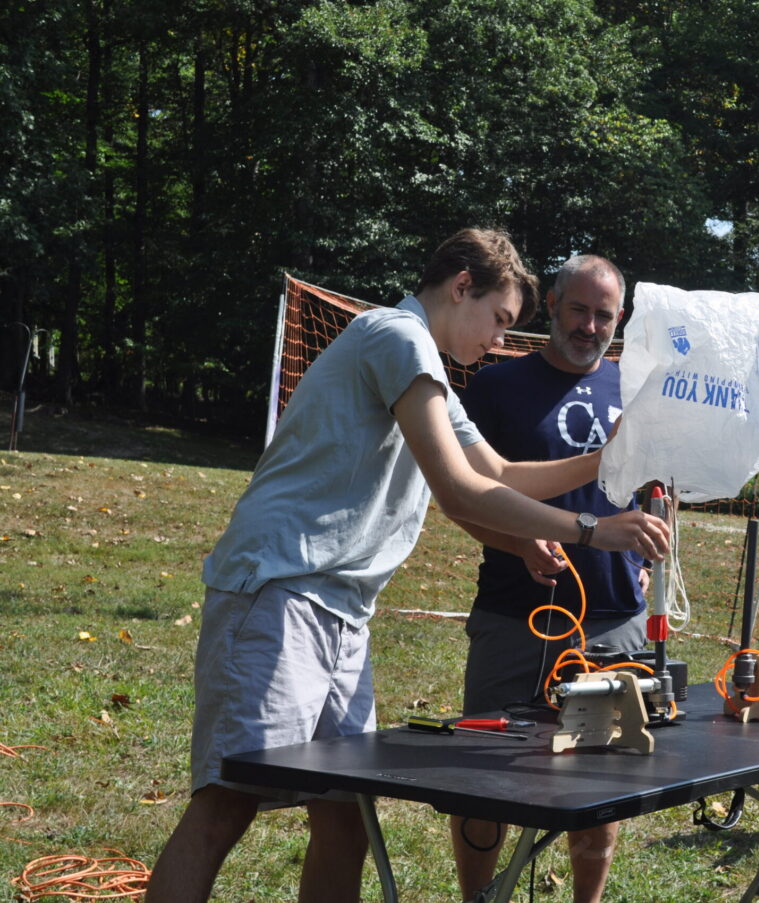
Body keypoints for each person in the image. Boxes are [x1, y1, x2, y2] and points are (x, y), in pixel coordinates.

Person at [142, 229, 669, 903]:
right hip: (280, 592)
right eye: (500, 318)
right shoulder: (397, 337)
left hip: (341, 612)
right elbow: (459, 491)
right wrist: (592, 530)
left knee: (344, 812)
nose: (500, 341)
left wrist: (604, 459)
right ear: (461, 287)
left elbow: (501, 472)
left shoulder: (430, 373)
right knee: (228, 801)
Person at [450, 254, 645, 903]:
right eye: (578, 309)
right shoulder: (496, 385)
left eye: (603, 315)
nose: (589, 326)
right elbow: (460, 497)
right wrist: (515, 542)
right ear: (554, 305)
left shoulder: (635, 389)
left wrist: (647, 558)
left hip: (612, 622)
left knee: (597, 781)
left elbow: (655, 488)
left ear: (619, 319)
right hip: (515, 617)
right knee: (485, 778)